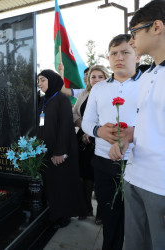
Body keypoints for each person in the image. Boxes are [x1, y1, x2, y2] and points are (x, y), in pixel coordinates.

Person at [109, 1, 165, 249]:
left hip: (160, 186)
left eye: (134, 33)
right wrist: (129, 136)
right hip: (134, 176)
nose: (130, 41)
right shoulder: (149, 74)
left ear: (157, 27)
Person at [82, 34, 141, 250]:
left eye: (126, 52)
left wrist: (132, 136)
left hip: (139, 162)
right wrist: (99, 131)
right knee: (110, 217)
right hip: (104, 162)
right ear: (108, 58)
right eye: (114, 53)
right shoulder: (98, 88)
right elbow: (87, 122)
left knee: (137, 221)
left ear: (137, 55)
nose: (119, 57)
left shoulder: (149, 83)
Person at [37, 69, 86, 228]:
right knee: (51, 183)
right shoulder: (43, 100)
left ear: (52, 80)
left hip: (60, 150)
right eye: (39, 80)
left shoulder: (61, 99)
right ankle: (54, 212)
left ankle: (63, 216)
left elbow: (66, 127)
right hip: (46, 150)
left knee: (62, 183)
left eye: (43, 80)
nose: (40, 83)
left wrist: (60, 152)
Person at [72, 65, 110, 224]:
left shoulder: (111, 93)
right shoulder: (83, 93)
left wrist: (92, 130)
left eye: (100, 76)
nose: (96, 80)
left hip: (102, 138)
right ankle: (85, 208)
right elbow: (74, 113)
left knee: (100, 176)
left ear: (106, 77)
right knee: (84, 176)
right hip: (83, 139)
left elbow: (111, 115)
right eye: (93, 77)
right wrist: (84, 126)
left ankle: (102, 214)